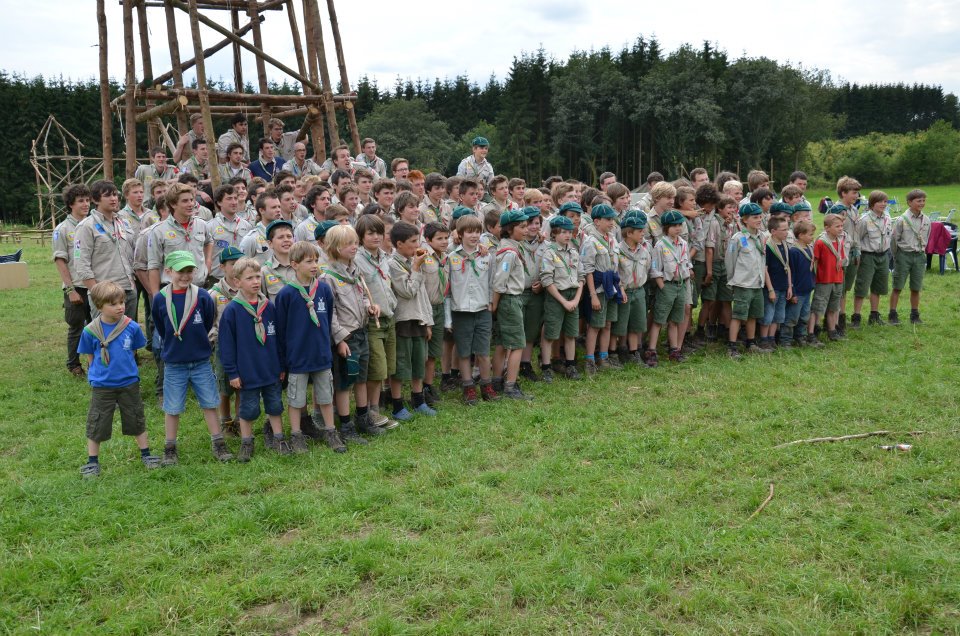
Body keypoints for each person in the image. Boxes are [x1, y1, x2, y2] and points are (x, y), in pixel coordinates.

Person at [152, 251, 233, 465]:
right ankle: (170, 447)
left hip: (200, 361)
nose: (186, 276)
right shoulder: (160, 298)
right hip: (174, 363)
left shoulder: (203, 297)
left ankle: (218, 443)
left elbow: (208, 321)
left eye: (189, 271)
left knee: (210, 402)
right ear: (168, 272)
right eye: (180, 271)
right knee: (172, 407)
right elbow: (161, 326)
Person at [77, 281, 161, 477]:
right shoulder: (90, 331)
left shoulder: (130, 326)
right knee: (97, 421)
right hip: (102, 385)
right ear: (99, 307)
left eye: (121, 302)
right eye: (113, 304)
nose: (120, 307)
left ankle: (146, 454)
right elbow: (90, 356)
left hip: (128, 383)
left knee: (136, 417)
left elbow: (133, 351)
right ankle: (92, 461)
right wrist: (97, 374)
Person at [275, 241, 346, 453]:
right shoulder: (286, 294)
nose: (314, 265)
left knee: (325, 396)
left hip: (321, 354)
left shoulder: (323, 289)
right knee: (296, 399)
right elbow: (280, 329)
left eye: (316, 260)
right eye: (309, 262)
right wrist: (282, 362)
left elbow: (329, 317)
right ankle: (296, 435)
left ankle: (331, 431)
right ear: (294, 264)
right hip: (297, 357)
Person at [218, 257, 287, 461]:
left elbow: (279, 339)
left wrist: (281, 364)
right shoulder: (232, 310)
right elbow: (226, 346)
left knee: (275, 405)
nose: (256, 281)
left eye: (258, 277)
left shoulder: (269, 307)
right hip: (247, 371)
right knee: (248, 409)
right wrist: (233, 372)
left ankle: (279, 438)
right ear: (237, 282)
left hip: (271, 368)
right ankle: (246, 442)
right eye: (249, 278)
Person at [322, 225, 384, 443]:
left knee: (361, 378)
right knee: (345, 382)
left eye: (355, 243)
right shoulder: (328, 277)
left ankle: (362, 417)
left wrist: (370, 306)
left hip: (361, 332)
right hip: (346, 339)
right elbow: (330, 313)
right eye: (348, 244)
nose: (354, 247)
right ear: (334, 247)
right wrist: (339, 339)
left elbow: (362, 296)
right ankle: (346, 425)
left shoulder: (354, 270)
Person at [388, 221, 437, 417]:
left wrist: (428, 321)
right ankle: (398, 405)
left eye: (418, 240)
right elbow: (408, 291)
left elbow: (422, 294)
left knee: (419, 362)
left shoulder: (413, 261)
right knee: (401, 365)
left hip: (419, 318)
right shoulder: (393, 264)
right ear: (399, 244)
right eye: (413, 241)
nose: (418, 246)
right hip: (403, 320)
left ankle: (419, 401)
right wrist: (416, 268)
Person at [355, 215, 400, 425]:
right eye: (370, 233)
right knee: (376, 369)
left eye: (379, 233)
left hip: (389, 317)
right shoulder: (357, 259)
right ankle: (371, 411)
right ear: (361, 236)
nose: (375, 237)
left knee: (387, 368)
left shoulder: (385, 257)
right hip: (372, 321)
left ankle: (377, 407)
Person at [74, 180, 137, 319]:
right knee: (105, 337)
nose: (113, 198)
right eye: (108, 195)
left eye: (115, 194)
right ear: (96, 199)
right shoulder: (86, 226)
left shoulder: (124, 222)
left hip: (128, 289)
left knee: (128, 336)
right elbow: (81, 264)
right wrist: (98, 293)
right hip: (104, 295)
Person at [491, 209, 533, 400]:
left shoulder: (511, 247)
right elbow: (500, 282)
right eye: (522, 227)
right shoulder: (509, 253)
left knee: (501, 343)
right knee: (517, 345)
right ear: (509, 229)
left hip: (507, 300)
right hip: (509, 300)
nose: (527, 230)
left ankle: (497, 380)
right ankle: (510, 386)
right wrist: (495, 306)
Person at [146, 183, 213, 296]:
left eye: (192, 200)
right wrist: (156, 296)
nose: (191, 204)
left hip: (199, 288)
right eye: (185, 201)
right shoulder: (158, 230)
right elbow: (153, 266)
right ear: (173, 204)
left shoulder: (201, 224)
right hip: (172, 291)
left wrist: (208, 262)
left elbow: (209, 241)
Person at [539, 215, 584, 380]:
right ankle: (546, 367)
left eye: (570, 232)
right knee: (550, 334)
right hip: (557, 297)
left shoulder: (573, 252)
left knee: (572, 334)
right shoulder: (549, 253)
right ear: (554, 233)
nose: (567, 235)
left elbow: (581, 278)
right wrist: (563, 301)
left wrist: (576, 300)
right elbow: (547, 280)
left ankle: (571, 365)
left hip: (573, 296)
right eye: (563, 232)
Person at [54, 183, 92, 377]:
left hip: (93, 284)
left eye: (87, 200)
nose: (85, 204)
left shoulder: (94, 224)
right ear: (71, 204)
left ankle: (96, 362)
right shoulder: (62, 229)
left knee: (95, 326)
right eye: (80, 201)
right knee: (76, 326)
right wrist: (71, 290)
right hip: (76, 287)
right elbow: (60, 261)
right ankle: (74, 364)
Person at [581, 203, 621, 374]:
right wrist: (593, 295)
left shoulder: (612, 239)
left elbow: (615, 267)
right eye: (607, 219)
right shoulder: (591, 242)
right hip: (597, 289)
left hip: (611, 286)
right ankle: (589, 359)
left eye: (612, 219)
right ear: (596, 221)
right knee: (595, 325)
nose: (611, 223)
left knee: (608, 324)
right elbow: (588, 270)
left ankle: (603, 357)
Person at [646, 210, 691, 364]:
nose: (677, 228)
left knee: (675, 321)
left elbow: (687, 263)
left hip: (681, 285)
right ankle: (651, 350)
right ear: (666, 227)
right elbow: (655, 269)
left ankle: (674, 350)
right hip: (667, 286)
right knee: (659, 320)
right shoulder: (660, 245)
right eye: (674, 226)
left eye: (679, 225)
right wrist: (662, 287)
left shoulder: (683, 244)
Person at [725, 203, 768, 359]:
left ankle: (751, 343)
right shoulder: (738, 238)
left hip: (757, 283)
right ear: (744, 219)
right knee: (738, 315)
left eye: (760, 216)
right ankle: (732, 346)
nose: (759, 219)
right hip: (743, 283)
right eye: (755, 217)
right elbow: (730, 261)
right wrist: (733, 281)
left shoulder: (762, 236)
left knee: (753, 315)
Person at [208, 246, 243, 435]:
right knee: (224, 385)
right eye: (232, 264)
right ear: (222, 267)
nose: (237, 266)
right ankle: (226, 420)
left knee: (241, 385)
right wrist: (215, 337)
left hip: (244, 345)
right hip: (223, 346)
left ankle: (239, 420)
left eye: (240, 262)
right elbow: (209, 321)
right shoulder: (214, 294)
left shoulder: (246, 288)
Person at [611, 212, 650, 365]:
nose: (643, 233)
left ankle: (634, 353)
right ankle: (613, 354)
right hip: (623, 292)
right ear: (629, 233)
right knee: (619, 325)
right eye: (639, 231)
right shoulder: (618, 250)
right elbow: (615, 272)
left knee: (636, 324)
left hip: (638, 291)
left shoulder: (644, 250)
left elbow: (646, 268)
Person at [889, 189, 930, 325]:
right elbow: (894, 240)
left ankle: (914, 314)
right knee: (898, 286)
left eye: (923, 200)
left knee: (916, 287)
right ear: (909, 202)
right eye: (918, 201)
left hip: (919, 256)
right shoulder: (902, 220)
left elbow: (926, 237)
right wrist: (897, 256)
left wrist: (922, 251)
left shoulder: (927, 220)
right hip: (903, 256)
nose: (922, 203)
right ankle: (893, 314)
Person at [852, 190, 893, 327]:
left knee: (878, 287)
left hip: (883, 255)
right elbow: (857, 239)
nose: (883, 204)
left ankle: (874, 315)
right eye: (880, 201)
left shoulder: (887, 217)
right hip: (868, 256)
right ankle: (856, 317)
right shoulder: (865, 220)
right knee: (862, 287)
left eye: (885, 201)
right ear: (872, 203)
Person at [419, 222, 449, 406]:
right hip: (425, 308)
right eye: (439, 238)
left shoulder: (447, 256)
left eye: (446, 238)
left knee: (434, 352)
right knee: (422, 351)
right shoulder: (422, 256)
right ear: (428, 240)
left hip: (440, 307)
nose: (444, 241)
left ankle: (428, 385)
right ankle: (419, 388)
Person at [702, 194, 736, 341]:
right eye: (729, 207)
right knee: (710, 299)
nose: (732, 210)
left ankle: (729, 331)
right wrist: (709, 271)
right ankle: (706, 327)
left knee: (727, 299)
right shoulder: (714, 223)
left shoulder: (731, 224)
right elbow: (709, 249)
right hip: (715, 264)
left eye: (734, 207)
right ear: (720, 209)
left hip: (726, 265)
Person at [831, 176, 862, 334]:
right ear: (843, 193)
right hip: (841, 253)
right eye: (853, 192)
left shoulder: (853, 209)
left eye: (857, 193)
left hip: (853, 251)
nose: (857, 196)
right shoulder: (837, 210)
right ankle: (837, 321)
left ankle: (840, 317)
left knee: (845, 287)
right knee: (839, 289)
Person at [811, 213, 847, 342]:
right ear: (827, 228)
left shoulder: (839, 240)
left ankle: (832, 331)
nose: (840, 228)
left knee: (833, 307)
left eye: (842, 226)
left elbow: (841, 259)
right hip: (824, 280)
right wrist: (814, 277)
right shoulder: (821, 242)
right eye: (837, 226)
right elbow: (814, 261)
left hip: (837, 278)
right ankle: (813, 330)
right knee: (818, 307)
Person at [206, 184, 252, 283]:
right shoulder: (210, 226)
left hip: (242, 279)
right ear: (219, 202)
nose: (234, 202)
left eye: (235, 198)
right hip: (217, 279)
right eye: (229, 199)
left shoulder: (246, 225)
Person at [785, 220, 820, 348]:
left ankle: (800, 337)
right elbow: (791, 274)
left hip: (806, 290)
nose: (812, 237)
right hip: (797, 292)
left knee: (804, 316)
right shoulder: (794, 251)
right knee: (792, 317)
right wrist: (793, 292)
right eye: (810, 235)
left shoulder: (809, 248)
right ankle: (786, 340)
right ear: (800, 235)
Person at [759, 217, 791, 350]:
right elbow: (764, 269)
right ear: (773, 231)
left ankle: (772, 338)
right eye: (783, 230)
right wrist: (770, 289)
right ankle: (763, 339)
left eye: (787, 229)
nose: (787, 232)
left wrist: (790, 286)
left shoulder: (785, 244)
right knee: (768, 315)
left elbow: (787, 266)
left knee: (778, 316)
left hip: (783, 286)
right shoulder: (768, 246)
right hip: (772, 287)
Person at [239, 192, 281, 261]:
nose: (278, 210)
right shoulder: (251, 239)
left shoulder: (285, 234)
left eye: (279, 206)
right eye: (274, 207)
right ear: (261, 210)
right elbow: (242, 267)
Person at [260, 220, 296, 300]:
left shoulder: (303, 266)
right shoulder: (264, 272)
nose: (286, 240)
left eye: (289, 236)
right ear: (270, 243)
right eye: (280, 237)